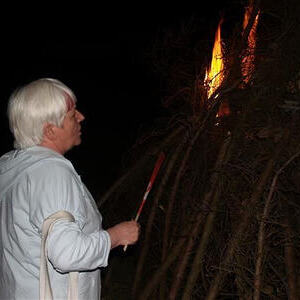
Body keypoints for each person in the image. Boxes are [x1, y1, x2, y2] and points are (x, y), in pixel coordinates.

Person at [0, 78, 140, 300]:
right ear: (50, 130)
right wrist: (115, 236)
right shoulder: (51, 173)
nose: (81, 118)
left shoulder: (12, 166)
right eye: (73, 115)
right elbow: (66, 254)